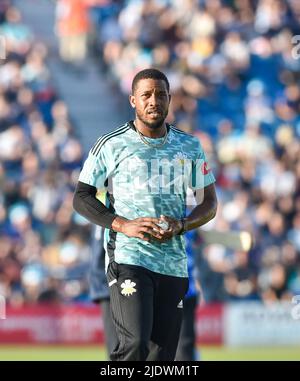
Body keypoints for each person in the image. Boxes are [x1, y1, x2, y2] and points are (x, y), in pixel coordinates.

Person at [73, 68, 217, 361]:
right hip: (128, 258)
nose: (154, 101)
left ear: (169, 99)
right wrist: (122, 225)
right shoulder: (111, 144)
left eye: (161, 94)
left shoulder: (190, 146)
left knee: (161, 357)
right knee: (135, 344)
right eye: (146, 95)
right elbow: (81, 197)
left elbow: (209, 203)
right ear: (133, 101)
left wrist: (181, 225)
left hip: (174, 264)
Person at [89, 223, 118, 358]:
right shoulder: (108, 217)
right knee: (117, 344)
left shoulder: (100, 217)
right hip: (110, 285)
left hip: (106, 284)